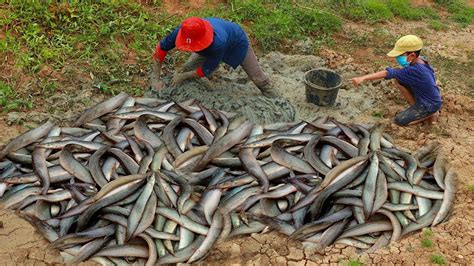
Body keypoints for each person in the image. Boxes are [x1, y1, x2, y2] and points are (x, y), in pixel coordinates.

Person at [151, 17, 277, 98]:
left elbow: (207, 69)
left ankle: (276, 99)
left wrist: (183, 77)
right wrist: (155, 78)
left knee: (257, 78)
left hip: (237, 42)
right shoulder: (183, 31)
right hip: (207, 45)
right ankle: (208, 89)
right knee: (187, 68)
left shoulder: (218, 42)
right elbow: (161, 49)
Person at [351, 35, 442, 126]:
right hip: (427, 95)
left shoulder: (414, 70)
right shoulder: (420, 61)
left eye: (400, 55)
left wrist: (362, 78)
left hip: (430, 104)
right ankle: (415, 107)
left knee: (399, 120)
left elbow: (387, 73)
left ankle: (431, 114)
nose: (397, 58)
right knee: (399, 80)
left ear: (412, 55)